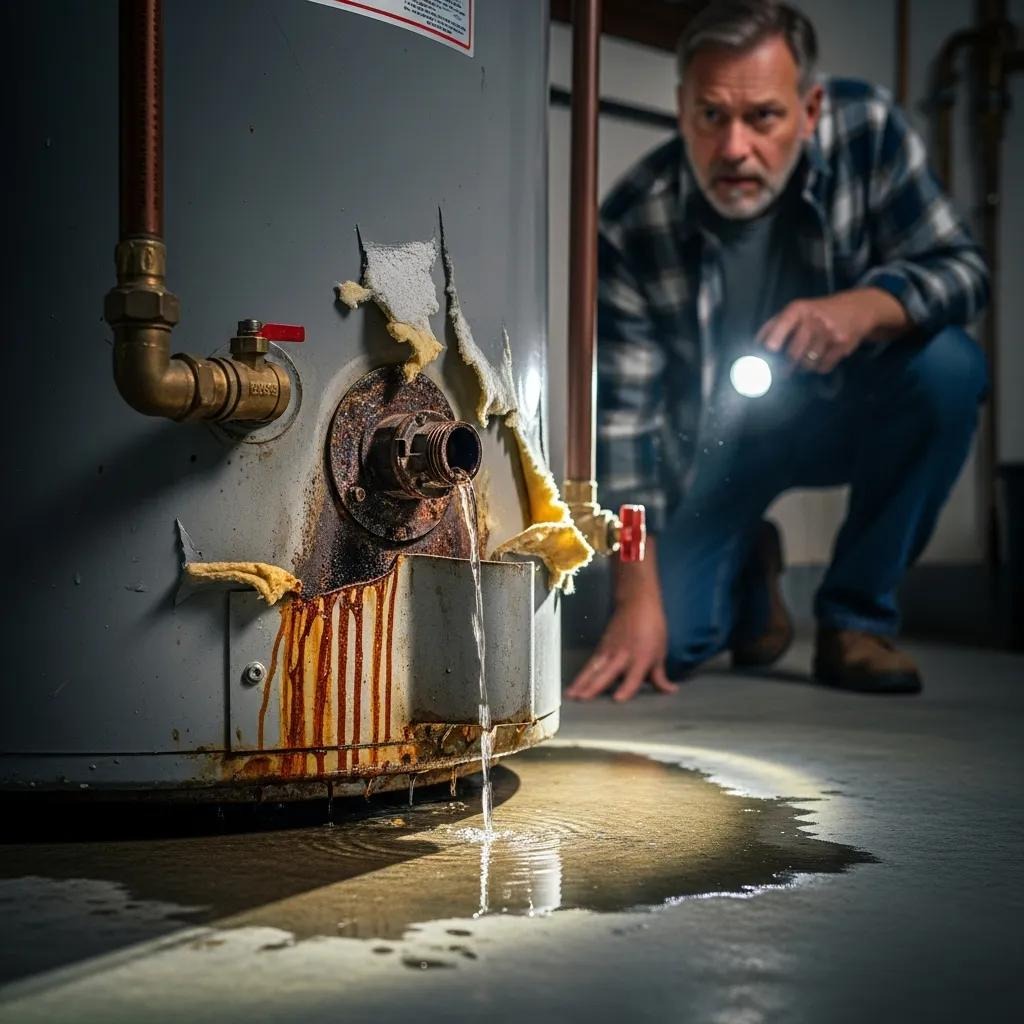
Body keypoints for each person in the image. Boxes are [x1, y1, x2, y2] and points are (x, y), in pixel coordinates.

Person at [566, 0, 989, 702]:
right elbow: (625, 436)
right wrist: (633, 593)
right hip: (717, 450)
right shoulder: (635, 221)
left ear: (811, 107)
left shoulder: (870, 133)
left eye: (762, 116)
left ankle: (855, 617)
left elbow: (964, 270)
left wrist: (867, 307)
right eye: (710, 116)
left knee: (950, 369)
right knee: (669, 642)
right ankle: (750, 569)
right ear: (681, 109)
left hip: (853, 412)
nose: (733, 148)